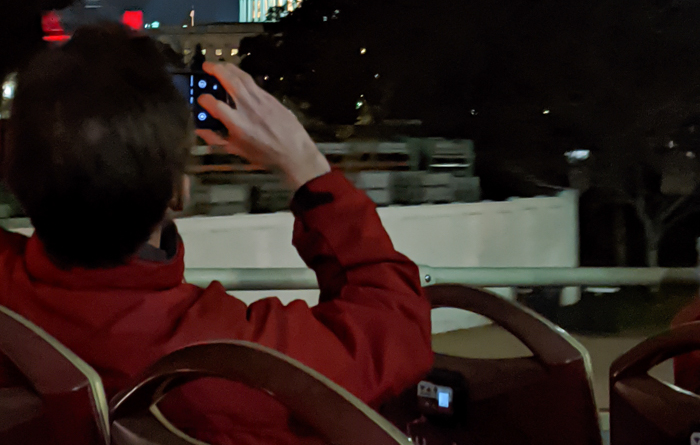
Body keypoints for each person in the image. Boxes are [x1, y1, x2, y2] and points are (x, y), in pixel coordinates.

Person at [0, 22, 433, 445]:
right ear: (178, 191)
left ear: (18, 178)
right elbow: (397, 326)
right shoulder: (246, 361)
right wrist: (306, 166)